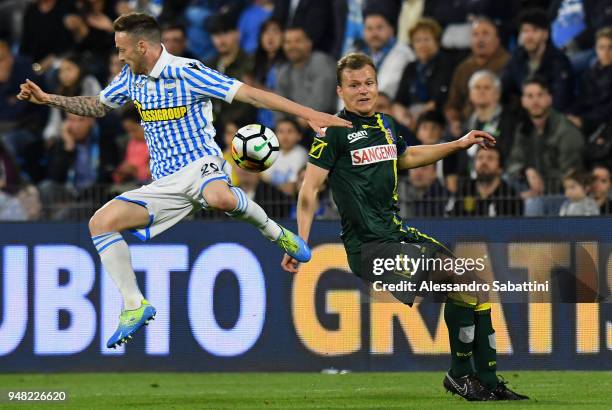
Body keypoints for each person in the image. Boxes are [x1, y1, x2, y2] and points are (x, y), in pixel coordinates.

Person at [17, 12, 351, 349]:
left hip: (201, 165)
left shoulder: (187, 72)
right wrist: (49, 99)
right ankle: (134, 305)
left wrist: (310, 114)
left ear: (142, 45)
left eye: (122, 49)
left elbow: (250, 94)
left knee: (221, 197)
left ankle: (278, 234)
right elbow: (97, 106)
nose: (119, 56)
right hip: (163, 183)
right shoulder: (130, 78)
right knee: (100, 223)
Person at [282, 52, 528, 401]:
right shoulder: (333, 133)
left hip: (396, 233)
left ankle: (486, 380)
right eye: (354, 85)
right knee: (461, 282)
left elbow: (407, 156)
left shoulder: (386, 124)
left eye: (368, 83)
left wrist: (457, 144)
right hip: (370, 247)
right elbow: (309, 189)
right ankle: (461, 376)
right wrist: (299, 243)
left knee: (476, 287)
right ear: (340, 91)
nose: (363, 90)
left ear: (378, 85)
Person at [501, 8, 574, 112]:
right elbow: (503, 89)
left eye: (535, 30)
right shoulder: (517, 57)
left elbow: (561, 100)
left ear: (545, 34)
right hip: (523, 117)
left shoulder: (559, 61)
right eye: (525, 31)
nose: (529, 36)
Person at [453, 146, 523, 216]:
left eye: (490, 158)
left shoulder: (511, 196)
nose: (484, 162)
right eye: (480, 158)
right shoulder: (463, 192)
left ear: (500, 168)